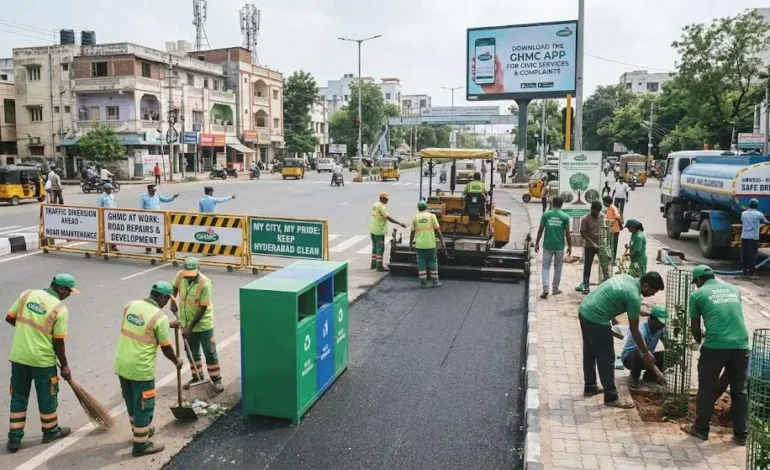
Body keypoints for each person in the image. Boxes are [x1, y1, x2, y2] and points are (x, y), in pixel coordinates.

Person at [5, 274, 80, 452]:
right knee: (47, 397)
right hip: (42, 361)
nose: (68, 295)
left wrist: (27, 332)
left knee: (19, 396)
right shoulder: (59, 309)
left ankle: (14, 439)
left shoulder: (26, 295)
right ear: (61, 288)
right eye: (68, 291)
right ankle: (50, 431)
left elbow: (9, 317)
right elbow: (58, 341)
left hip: (19, 357)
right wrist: (65, 366)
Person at [682, 265, 749, 445]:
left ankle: (701, 429)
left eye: (696, 282)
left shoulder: (698, 294)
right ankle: (742, 434)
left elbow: (695, 328)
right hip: (741, 344)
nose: (696, 285)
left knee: (706, 387)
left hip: (715, 346)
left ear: (699, 281)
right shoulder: (734, 289)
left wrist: (698, 339)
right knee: (739, 390)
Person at [579, 272, 665, 408]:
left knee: (589, 352)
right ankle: (611, 397)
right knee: (606, 358)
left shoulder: (627, 278)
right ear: (645, 285)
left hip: (585, 309)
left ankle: (590, 387)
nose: (652, 295)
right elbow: (634, 330)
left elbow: (610, 294)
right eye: (653, 291)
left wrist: (616, 314)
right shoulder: (633, 296)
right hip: (596, 319)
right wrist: (646, 353)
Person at [115, 281, 180, 457]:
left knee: (131, 401)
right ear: (162, 297)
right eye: (167, 299)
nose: (167, 303)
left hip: (122, 365)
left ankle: (139, 432)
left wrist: (169, 326)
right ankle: (141, 446)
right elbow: (166, 347)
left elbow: (143, 325)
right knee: (144, 406)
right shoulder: (159, 317)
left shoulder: (130, 305)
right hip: (141, 369)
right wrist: (177, 361)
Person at [169, 257, 224, 393]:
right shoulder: (180, 276)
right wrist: (172, 301)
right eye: (188, 275)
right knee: (192, 353)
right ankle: (197, 378)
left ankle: (216, 380)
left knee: (210, 352)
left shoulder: (205, 284)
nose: (189, 278)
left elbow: (202, 308)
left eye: (192, 275)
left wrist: (189, 328)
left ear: (198, 269)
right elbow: (173, 289)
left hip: (203, 325)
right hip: (186, 323)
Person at [621, 305, 667, 389]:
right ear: (652, 319)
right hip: (630, 358)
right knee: (639, 351)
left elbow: (667, 343)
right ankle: (634, 377)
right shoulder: (641, 329)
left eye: (663, 323)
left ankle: (650, 376)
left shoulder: (660, 328)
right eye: (660, 323)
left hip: (647, 357)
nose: (662, 325)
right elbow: (642, 351)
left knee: (669, 355)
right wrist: (657, 372)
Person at [535, 196, 572, 299]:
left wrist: (537, 243)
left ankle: (545, 288)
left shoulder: (546, 215)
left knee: (545, 267)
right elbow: (567, 233)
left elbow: (540, 230)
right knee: (558, 267)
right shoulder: (565, 217)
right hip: (560, 246)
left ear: (552, 203)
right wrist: (570, 246)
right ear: (562, 204)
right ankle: (555, 289)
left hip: (547, 245)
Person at [409, 201, 445, 288]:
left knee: (421, 264)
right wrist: (442, 240)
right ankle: (435, 282)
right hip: (430, 244)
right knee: (433, 262)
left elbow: (412, 232)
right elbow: (437, 230)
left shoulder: (415, 218)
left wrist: (410, 243)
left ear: (418, 208)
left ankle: (423, 283)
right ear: (426, 207)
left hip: (420, 245)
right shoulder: (432, 216)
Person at [370, 192, 406, 271]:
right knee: (380, 248)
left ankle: (373, 264)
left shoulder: (375, 204)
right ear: (382, 198)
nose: (387, 200)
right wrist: (399, 223)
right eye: (386, 199)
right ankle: (379, 266)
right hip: (379, 230)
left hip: (372, 229)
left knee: (375, 247)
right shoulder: (381, 206)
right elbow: (388, 218)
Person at [140, 185, 179, 254]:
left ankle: (158, 248)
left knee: (158, 233)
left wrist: (173, 197)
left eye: (154, 191)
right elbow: (141, 208)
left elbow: (166, 199)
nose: (153, 192)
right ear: (149, 190)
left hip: (158, 217)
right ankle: (148, 249)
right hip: (148, 218)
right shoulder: (144, 197)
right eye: (152, 191)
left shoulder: (157, 195)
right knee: (148, 234)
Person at [578, 201, 605, 294]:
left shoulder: (602, 216)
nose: (597, 213)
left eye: (598, 211)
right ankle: (586, 285)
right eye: (595, 211)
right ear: (591, 209)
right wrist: (592, 243)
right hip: (589, 245)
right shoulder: (585, 218)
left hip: (600, 244)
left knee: (604, 265)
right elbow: (582, 232)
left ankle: (604, 285)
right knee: (587, 265)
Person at [740, 198, 767, 279]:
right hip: (753, 238)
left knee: (744, 254)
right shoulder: (759, 214)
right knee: (752, 255)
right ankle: (751, 273)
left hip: (744, 236)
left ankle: (744, 272)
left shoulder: (743, 213)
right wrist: (760, 225)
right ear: (757, 205)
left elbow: (743, 221)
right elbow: (765, 222)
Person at [602, 196, 623, 261]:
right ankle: (610, 257)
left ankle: (613, 259)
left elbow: (617, 217)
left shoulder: (613, 208)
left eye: (604, 202)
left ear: (607, 202)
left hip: (615, 230)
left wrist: (620, 226)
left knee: (613, 245)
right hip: (610, 230)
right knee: (609, 244)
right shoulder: (608, 208)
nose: (603, 203)